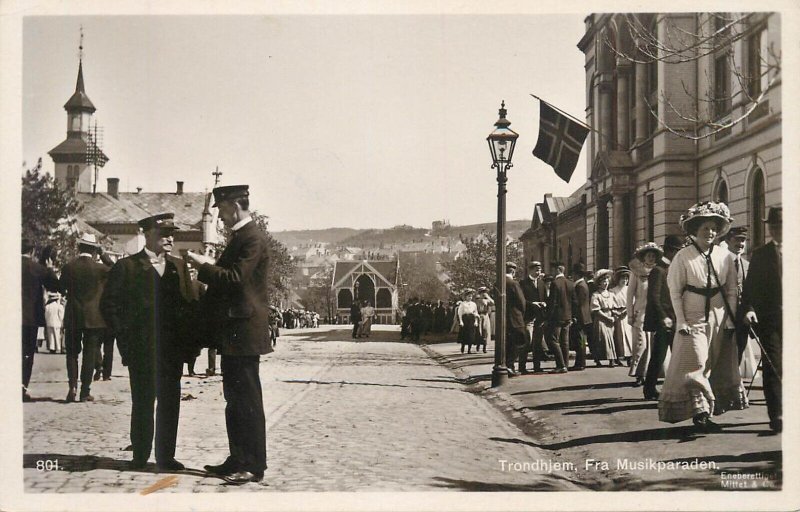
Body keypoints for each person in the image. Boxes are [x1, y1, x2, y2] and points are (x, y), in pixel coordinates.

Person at [187, 185, 271, 484]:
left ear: (235, 206)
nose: (220, 218)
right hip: (235, 330)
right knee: (234, 399)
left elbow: (235, 279)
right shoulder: (242, 237)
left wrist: (204, 267)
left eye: (221, 210)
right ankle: (237, 458)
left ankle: (253, 464)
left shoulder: (252, 238)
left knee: (247, 399)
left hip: (244, 330)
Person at [101, 213, 196, 470]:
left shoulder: (178, 266)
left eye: (172, 234)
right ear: (147, 234)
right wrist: (125, 341)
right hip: (141, 349)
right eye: (163, 233)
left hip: (171, 351)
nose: (169, 238)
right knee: (142, 401)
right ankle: (140, 455)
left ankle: (166, 456)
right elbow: (109, 307)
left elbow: (188, 306)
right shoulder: (127, 267)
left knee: (170, 403)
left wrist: (189, 348)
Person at [658, 201, 747, 432]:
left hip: (718, 313)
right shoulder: (683, 257)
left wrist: (730, 318)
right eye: (705, 228)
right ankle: (699, 412)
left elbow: (730, 289)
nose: (710, 232)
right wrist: (681, 321)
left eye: (713, 228)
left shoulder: (724, 255)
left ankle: (709, 408)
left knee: (713, 361)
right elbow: (675, 292)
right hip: (692, 314)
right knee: (695, 360)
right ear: (695, 230)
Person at [740, 206, 782, 433]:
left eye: (782, 226)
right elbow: (750, 288)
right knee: (773, 365)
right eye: (774, 226)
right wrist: (748, 309)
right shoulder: (761, 254)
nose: (778, 230)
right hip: (770, 320)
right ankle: (777, 415)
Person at [60, 233, 110, 402]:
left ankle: (72, 387)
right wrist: (103, 254)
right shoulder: (100, 269)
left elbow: (61, 288)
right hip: (94, 317)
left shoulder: (68, 267)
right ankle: (84, 391)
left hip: (73, 315)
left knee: (72, 353)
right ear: (94, 249)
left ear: (79, 247)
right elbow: (117, 270)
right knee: (90, 354)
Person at [642, 235, 683, 400]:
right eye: (678, 251)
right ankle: (651, 389)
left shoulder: (672, 268)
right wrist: (663, 318)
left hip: (673, 318)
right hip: (665, 320)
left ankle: (652, 388)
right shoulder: (659, 270)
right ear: (671, 251)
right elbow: (654, 297)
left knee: (669, 354)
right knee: (661, 355)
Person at [22, 239, 60, 401]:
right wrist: (50, 267)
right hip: (29, 318)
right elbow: (55, 286)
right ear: (32, 252)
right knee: (27, 354)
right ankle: (21, 387)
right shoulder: (37, 269)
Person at [627, 244, 657, 385]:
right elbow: (630, 294)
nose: (651, 258)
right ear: (643, 257)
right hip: (640, 311)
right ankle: (639, 374)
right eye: (648, 255)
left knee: (653, 344)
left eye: (653, 256)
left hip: (654, 312)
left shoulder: (658, 271)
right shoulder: (636, 272)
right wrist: (630, 314)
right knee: (641, 344)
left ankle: (651, 374)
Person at [723, 227, 752, 366]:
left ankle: (735, 383)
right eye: (737, 240)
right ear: (728, 240)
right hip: (723, 317)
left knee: (739, 350)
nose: (740, 244)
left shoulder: (747, 265)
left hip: (742, 318)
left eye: (743, 240)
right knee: (723, 353)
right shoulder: (720, 262)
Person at [519, 261, 548, 372]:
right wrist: (532, 304)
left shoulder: (541, 283)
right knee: (527, 341)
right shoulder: (523, 283)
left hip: (539, 317)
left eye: (539, 269)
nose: (538, 272)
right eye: (536, 270)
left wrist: (544, 303)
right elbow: (521, 300)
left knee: (538, 342)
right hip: (528, 317)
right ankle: (522, 367)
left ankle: (537, 366)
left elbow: (545, 297)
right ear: (530, 270)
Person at [545, 264, 574, 373]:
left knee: (553, 340)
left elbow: (553, 302)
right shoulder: (570, 283)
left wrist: (548, 317)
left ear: (557, 270)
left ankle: (561, 365)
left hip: (557, 317)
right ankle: (565, 364)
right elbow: (573, 301)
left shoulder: (555, 284)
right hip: (567, 316)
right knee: (565, 341)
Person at [590, 269, 618, 367]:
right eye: (603, 281)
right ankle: (598, 359)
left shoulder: (611, 294)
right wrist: (606, 317)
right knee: (602, 338)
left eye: (607, 281)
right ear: (599, 283)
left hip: (610, 317)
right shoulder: (596, 295)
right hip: (601, 318)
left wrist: (614, 315)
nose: (606, 283)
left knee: (611, 338)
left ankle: (612, 359)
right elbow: (596, 310)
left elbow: (614, 307)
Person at [609, 266, 632, 366]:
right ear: (618, 279)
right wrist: (616, 312)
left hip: (627, 314)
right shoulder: (613, 291)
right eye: (623, 278)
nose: (625, 281)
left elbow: (632, 302)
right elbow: (610, 303)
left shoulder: (629, 290)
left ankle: (630, 357)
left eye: (626, 279)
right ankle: (619, 356)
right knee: (618, 336)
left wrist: (626, 311)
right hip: (617, 315)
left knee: (629, 336)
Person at [570, 264, 591, 371]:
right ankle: (581, 362)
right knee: (581, 340)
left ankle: (580, 363)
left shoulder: (580, 286)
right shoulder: (583, 284)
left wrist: (575, 316)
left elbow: (579, 304)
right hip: (585, 317)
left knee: (580, 340)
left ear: (577, 274)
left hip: (580, 317)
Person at [456, 289, 479, 354]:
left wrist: (476, 321)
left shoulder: (474, 304)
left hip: (472, 319)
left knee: (471, 335)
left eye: (471, 296)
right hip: (465, 319)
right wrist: (461, 321)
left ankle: (469, 349)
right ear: (465, 297)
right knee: (464, 334)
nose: (470, 297)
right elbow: (459, 313)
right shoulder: (463, 304)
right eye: (468, 296)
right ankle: (463, 346)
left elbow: (475, 312)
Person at [474, 287, 494, 354]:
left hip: (485, 316)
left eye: (485, 292)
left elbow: (493, 303)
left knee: (485, 331)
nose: (483, 293)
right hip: (479, 316)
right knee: (479, 331)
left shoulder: (487, 300)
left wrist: (488, 297)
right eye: (482, 292)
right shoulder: (477, 300)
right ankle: (478, 345)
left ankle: (484, 347)